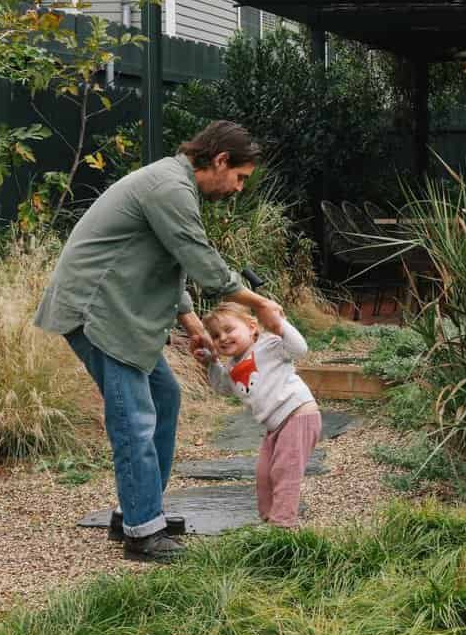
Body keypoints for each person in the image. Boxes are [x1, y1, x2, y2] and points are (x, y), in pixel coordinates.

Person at [35, 121, 284, 562]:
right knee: (134, 418)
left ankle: (134, 511)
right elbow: (201, 259)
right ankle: (142, 530)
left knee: (164, 397)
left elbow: (172, 262)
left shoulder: (173, 183)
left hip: (116, 310)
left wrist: (192, 325)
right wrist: (258, 303)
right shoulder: (169, 186)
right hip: (97, 310)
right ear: (220, 159)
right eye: (240, 177)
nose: (239, 188)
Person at [198, 302, 319, 529]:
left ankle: (282, 526)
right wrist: (211, 363)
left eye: (229, 330)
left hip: (298, 414)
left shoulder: (269, 344)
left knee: (284, 472)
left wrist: (279, 324)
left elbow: (300, 349)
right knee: (264, 475)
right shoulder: (233, 365)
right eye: (215, 335)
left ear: (252, 327)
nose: (222, 338)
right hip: (275, 426)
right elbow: (224, 387)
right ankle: (268, 520)